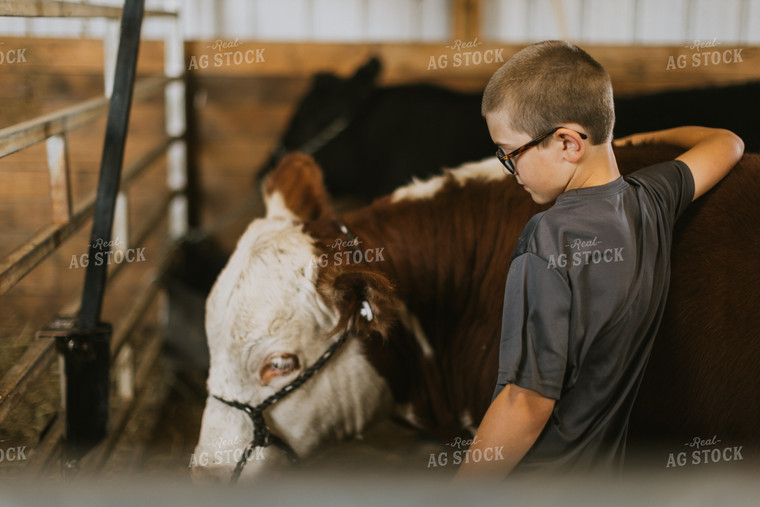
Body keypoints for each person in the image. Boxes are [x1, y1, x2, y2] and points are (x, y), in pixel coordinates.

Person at [454, 40, 744, 479]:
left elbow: (526, 401)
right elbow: (727, 141)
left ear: (568, 143)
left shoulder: (548, 237)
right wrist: (620, 142)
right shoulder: (651, 201)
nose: (508, 169)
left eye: (510, 154)